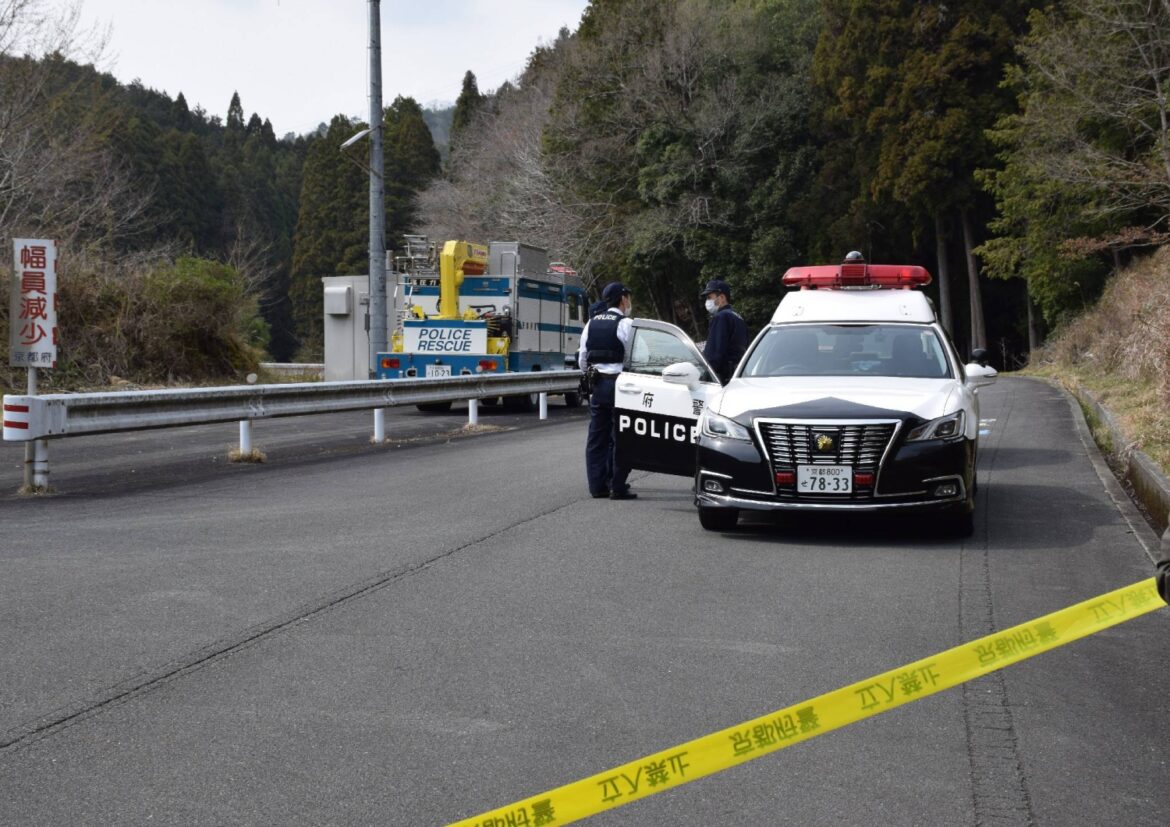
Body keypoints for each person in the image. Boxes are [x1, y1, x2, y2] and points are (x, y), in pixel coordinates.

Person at [578, 281, 636, 500]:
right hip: (620, 386)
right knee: (621, 436)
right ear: (623, 299)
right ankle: (617, 486)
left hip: (598, 385)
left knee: (596, 437)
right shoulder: (626, 324)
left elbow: (582, 359)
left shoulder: (591, 324)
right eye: (628, 298)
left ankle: (597, 486)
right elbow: (638, 357)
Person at [699, 279, 748, 384]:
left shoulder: (721, 317)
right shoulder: (738, 317)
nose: (707, 302)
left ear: (721, 297)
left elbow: (713, 355)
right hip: (739, 375)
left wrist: (704, 377)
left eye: (709, 297)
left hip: (723, 379)